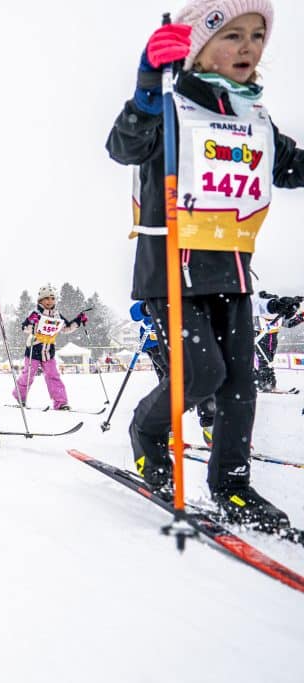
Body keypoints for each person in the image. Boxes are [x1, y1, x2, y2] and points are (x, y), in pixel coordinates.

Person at [106, 0, 304, 529]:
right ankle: (147, 433)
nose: (247, 47)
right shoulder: (170, 110)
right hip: (172, 269)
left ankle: (232, 484)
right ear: (196, 47)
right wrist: (147, 87)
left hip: (232, 269)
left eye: (256, 36)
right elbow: (125, 146)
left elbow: (289, 168)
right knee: (202, 374)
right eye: (232, 35)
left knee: (241, 383)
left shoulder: (253, 118)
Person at [131, 300, 216, 445]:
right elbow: (134, 312)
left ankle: (210, 426)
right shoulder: (153, 289)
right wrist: (147, 307)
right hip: (157, 344)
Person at [13, 284, 88, 410]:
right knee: (28, 375)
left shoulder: (57, 315)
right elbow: (25, 328)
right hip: (34, 349)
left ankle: (61, 402)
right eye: (46, 298)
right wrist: (32, 322)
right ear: (40, 300)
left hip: (48, 351)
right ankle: (20, 396)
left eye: (52, 298)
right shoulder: (36, 313)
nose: (50, 301)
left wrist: (79, 320)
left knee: (53, 376)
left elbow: (66, 328)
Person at [251, 290, 303, 392]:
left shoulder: (279, 316)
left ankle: (262, 383)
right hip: (261, 339)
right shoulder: (259, 315)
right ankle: (266, 385)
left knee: (268, 363)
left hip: (272, 340)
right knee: (265, 363)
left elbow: (289, 323)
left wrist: (301, 317)